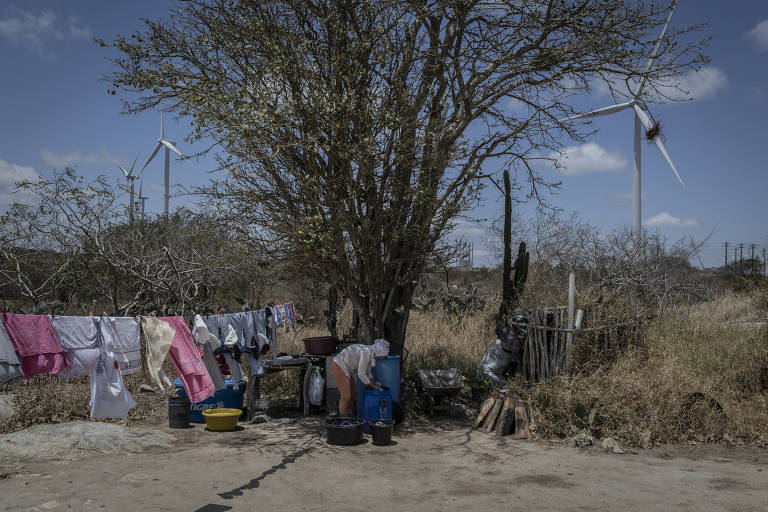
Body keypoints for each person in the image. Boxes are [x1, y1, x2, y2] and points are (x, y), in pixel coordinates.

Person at [330, 338, 389, 416]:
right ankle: (343, 420)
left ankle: (350, 416)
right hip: (339, 366)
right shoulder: (366, 353)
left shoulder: (370, 353)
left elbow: (367, 372)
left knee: (354, 393)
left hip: (346, 369)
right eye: (381, 356)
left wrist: (374, 383)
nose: (381, 358)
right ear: (378, 353)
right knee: (346, 396)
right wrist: (373, 386)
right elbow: (361, 374)